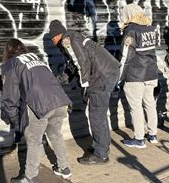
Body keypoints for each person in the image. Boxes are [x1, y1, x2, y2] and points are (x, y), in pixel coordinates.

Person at [0, 39, 72, 183]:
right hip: (59, 101)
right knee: (56, 135)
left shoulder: (11, 64)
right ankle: (64, 168)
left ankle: (30, 178)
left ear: (8, 51)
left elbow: (10, 96)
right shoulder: (36, 58)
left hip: (39, 105)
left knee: (33, 141)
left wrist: (13, 119)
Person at [48, 20, 120, 165]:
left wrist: (85, 85)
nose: (52, 42)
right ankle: (100, 146)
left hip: (101, 75)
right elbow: (72, 68)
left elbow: (82, 62)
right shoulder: (74, 38)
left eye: (52, 38)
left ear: (56, 35)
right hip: (107, 72)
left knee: (96, 115)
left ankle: (101, 154)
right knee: (99, 114)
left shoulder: (67, 40)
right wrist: (56, 81)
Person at [118, 3, 159, 148]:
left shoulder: (130, 30)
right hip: (152, 73)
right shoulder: (150, 28)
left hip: (136, 74)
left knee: (136, 107)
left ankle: (139, 139)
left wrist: (119, 77)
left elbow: (125, 56)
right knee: (150, 104)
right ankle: (153, 134)